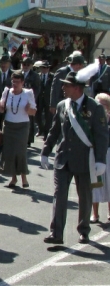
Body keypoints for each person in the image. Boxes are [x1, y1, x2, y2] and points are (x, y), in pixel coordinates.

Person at [41, 68, 108, 244]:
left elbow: (101, 136)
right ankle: (56, 233)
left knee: (84, 196)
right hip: (63, 158)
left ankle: (84, 230)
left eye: (67, 85)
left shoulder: (95, 107)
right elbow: (54, 131)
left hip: (85, 159)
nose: (63, 88)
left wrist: (100, 160)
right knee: (59, 195)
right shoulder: (63, 105)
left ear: (77, 88)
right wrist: (45, 151)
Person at [0, 71, 36, 190]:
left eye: (17, 82)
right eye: (13, 82)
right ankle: (13, 178)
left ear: (22, 82)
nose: (15, 84)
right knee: (9, 152)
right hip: (9, 125)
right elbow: (2, 110)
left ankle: (24, 177)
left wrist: (29, 110)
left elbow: (33, 112)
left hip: (22, 126)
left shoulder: (28, 93)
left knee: (20, 151)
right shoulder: (7, 92)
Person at [91, 92, 110, 223]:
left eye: (103, 104)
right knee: (95, 184)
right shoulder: (92, 118)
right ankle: (95, 214)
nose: (100, 106)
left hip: (108, 152)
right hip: (95, 154)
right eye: (98, 104)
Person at [36, 61, 53, 138]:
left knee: (48, 117)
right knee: (37, 116)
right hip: (39, 99)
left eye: (46, 68)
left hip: (48, 99)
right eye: (43, 67)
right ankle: (40, 129)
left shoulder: (52, 76)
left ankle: (46, 133)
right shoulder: (37, 76)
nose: (45, 69)